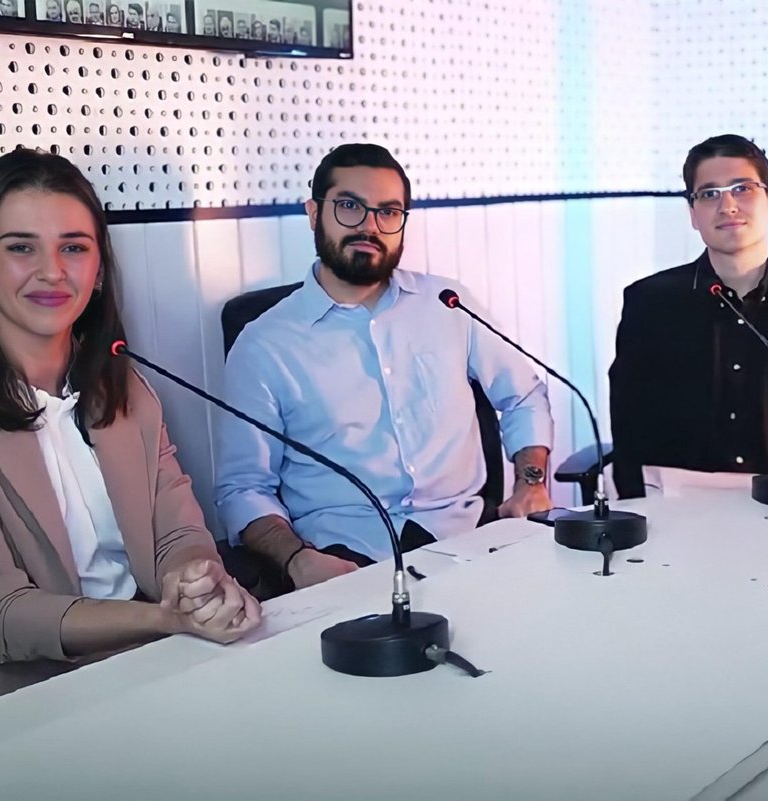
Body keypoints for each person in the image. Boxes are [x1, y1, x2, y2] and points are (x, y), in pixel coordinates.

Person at [0, 149, 261, 713]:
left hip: (141, 672)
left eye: (73, 248)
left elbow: (177, 533)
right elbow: (0, 616)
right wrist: (165, 619)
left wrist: (193, 582)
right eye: (21, 248)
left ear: (98, 274)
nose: (52, 271)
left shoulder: (126, 390)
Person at [216, 144, 554, 590]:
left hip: (468, 540)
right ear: (314, 213)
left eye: (388, 212)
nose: (370, 227)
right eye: (349, 207)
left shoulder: (447, 305)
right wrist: (296, 560)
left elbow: (523, 395)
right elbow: (243, 488)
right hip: (343, 559)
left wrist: (530, 484)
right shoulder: (264, 344)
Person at [608, 134, 768, 498]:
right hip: (679, 509)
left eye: (742, 189)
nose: (727, 206)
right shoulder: (648, 303)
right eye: (709, 194)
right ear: (693, 214)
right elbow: (630, 427)